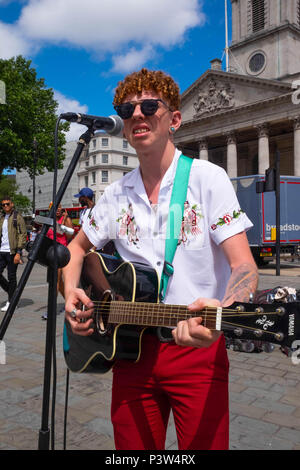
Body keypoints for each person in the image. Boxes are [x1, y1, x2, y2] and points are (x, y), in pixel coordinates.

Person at [63, 68, 258, 450]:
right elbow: (75, 249)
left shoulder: (207, 178)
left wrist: (226, 310)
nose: (137, 114)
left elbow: (244, 265)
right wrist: (71, 291)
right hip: (130, 352)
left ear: (174, 119)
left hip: (196, 350)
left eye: (149, 105)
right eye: (126, 108)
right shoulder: (116, 194)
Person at [42, 203, 74, 320]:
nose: (58, 209)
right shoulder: (49, 220)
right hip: (50, 254)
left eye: (60, 207)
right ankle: (70, 302)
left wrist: (64, 219)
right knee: (59, 283)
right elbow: (45, 235)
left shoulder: (66, 219)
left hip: (60, 255)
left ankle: (51, 310)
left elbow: (70, 236)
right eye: (55, 207)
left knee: (54, 281)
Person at [0, 196, 27, 312]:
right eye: (3, 205)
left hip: (12, 251)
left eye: (7, 204)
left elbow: (23, 234)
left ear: (12, 204)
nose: (5, 206)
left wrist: (19, 252)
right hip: (1, 250)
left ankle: (11, 302)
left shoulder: (17, 217)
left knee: (12, 276)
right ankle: (11, 290)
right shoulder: (1, 218)